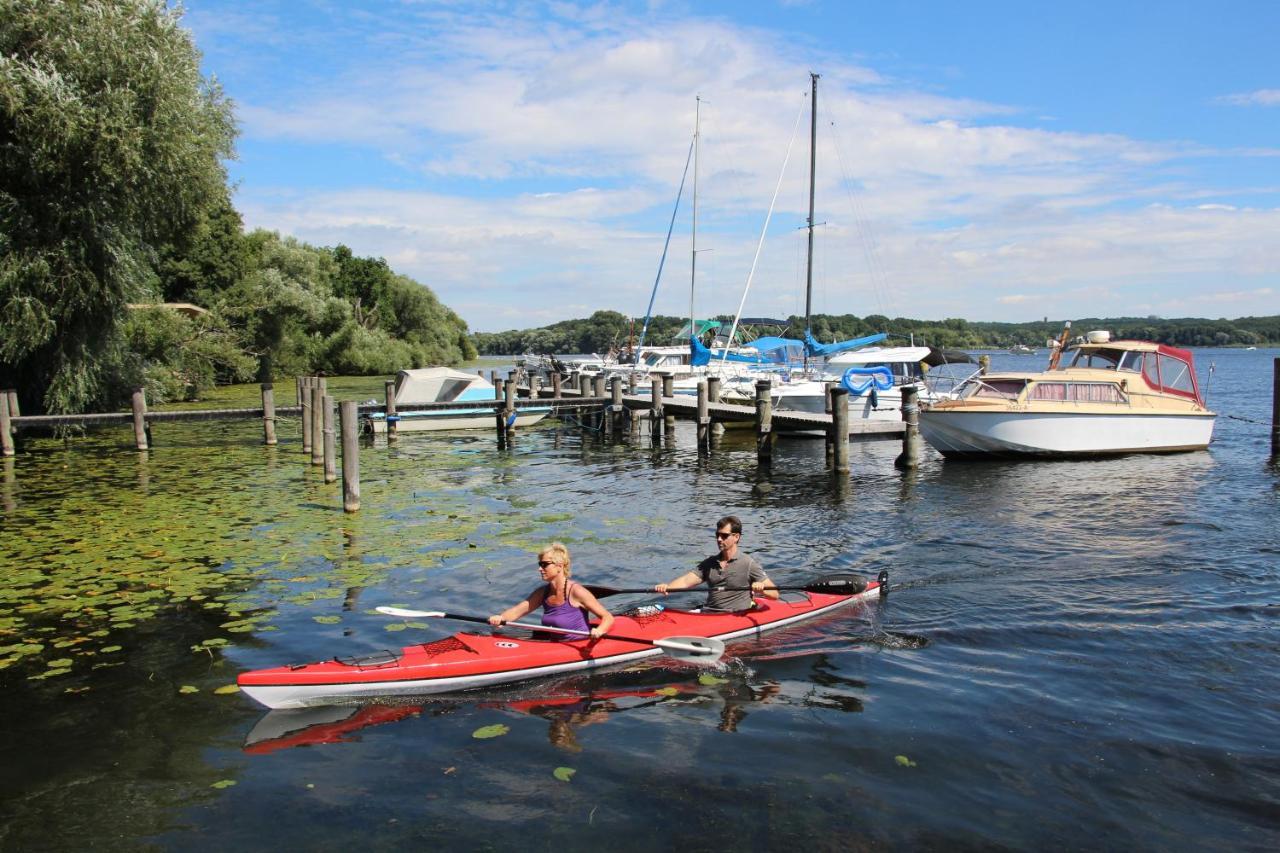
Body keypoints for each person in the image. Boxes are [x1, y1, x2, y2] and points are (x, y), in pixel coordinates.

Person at [489, 543, 614, 640]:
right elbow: (517, 611)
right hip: (555, 643)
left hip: (577, 643)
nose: (539, 569)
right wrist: (501, 618)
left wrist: (600, 630)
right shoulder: (542, 592)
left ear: (559, 566)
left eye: (544, 564)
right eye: (540, 564)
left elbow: (607, 617)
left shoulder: (577, 592)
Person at [654, 516, 779, 612]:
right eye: (717, 535)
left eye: (724, 536)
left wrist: (761, 589)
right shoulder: (710, 563)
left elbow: (775, 594)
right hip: (710, 612)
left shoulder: (749, 564)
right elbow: (687, 580)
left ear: (736, 537)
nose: (719, 539)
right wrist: (668, 587)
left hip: (735, 615)